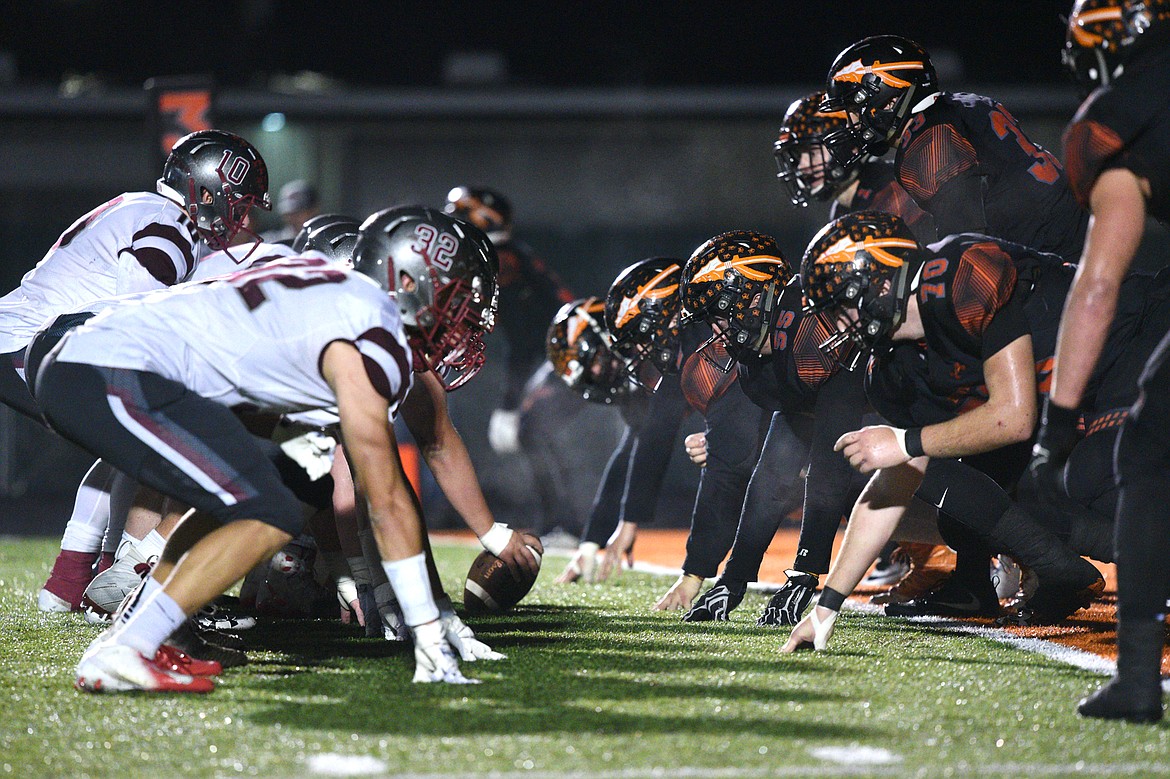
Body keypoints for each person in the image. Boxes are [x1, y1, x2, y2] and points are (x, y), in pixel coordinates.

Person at [32, 206, 538, 692]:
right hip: (110, 368)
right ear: (408, 281)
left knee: (286, 481)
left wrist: (432, 611)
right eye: (457, 299)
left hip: (99, 360)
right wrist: (428, 626)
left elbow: (367, 483)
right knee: (268, 506)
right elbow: (382, 495)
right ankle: (128, 646)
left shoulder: (341, 299)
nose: (465, 317)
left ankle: (144, 629)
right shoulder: (372, 330)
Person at [781, 211, 1106, 655]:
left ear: (878, 283)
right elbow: (898, 479)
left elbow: (1013, 416)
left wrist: (903, 443)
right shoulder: (893, 370)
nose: (838, 328)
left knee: (1108, 484)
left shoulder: (960, 276)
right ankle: (1054, 566)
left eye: (841, 307)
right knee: (968, 509)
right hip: (1059, 422)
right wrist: (826, 607)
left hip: (1115, 375)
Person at [0, 129, 271, 612]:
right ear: (205, 193)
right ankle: (125, 574)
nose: (244, 218)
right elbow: (132, 322)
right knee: (166, 424)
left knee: (135, 434)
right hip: (28, 346)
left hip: (27, 340)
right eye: (239, 203)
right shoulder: (169, 226)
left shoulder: (149, 210)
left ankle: (82, 580)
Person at [1034, 0, 1170, 723]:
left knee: (1148, 453)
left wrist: (1060, 415)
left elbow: (1097, 282)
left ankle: (1140, 679)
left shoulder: (1115, 116)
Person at [821, 35, 1088, 263]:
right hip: (1074, 235)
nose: (850, 122)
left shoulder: (927, 140)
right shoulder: (964, 104)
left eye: (854, 110)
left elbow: (968, 251)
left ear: (888, 99)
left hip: (1053, 265)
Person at [443, 187, 581, 543]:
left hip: (570, 350)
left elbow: (524, 342)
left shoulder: (503, 259)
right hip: (561, 349)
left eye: (462, 215)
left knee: (534, 428)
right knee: (534, 430)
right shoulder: (507, 255)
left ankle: (565, 524)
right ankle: (562, 522)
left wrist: (508, 403)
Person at [262, 179, 321, 245]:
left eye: (298, 212)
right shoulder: (270, 243)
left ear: (313, 210)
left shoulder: (325, 244)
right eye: (288, 214)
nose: (292, 218)